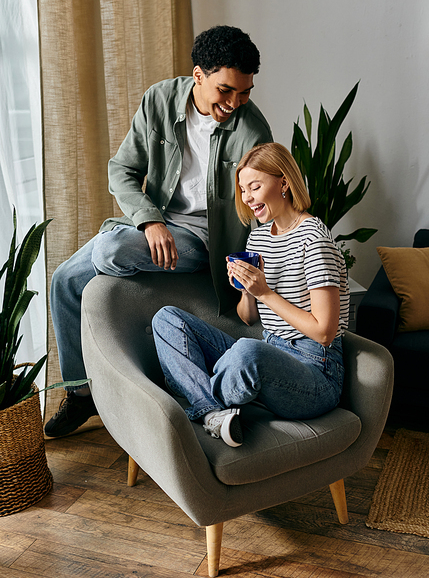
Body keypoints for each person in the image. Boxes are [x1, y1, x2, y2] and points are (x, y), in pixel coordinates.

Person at [45, 25, 273, 439]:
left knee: (111, 251)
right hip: (157, 218)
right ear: (198, 76)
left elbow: (261, 211)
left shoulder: (252, 130)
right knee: (63, 280)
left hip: (206, 239)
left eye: (245, 93)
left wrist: (257, 280)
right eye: (225, 91)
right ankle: (81, 395)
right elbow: (122, 170)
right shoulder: (159, 99)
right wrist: (150, 220)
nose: (234, 103)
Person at [152, 143, 349, 447]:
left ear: (283, 182)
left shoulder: (314, 239)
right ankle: (212, 410)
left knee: (247, 352)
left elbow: (324, 332)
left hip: (315, 373)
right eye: (243, 189)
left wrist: (265, 292)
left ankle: (190, 386)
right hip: (271, 351)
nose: (247, 198)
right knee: (167, 318)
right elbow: (248, 318)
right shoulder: (259, 236)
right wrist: (246, 291)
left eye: (255, 187)